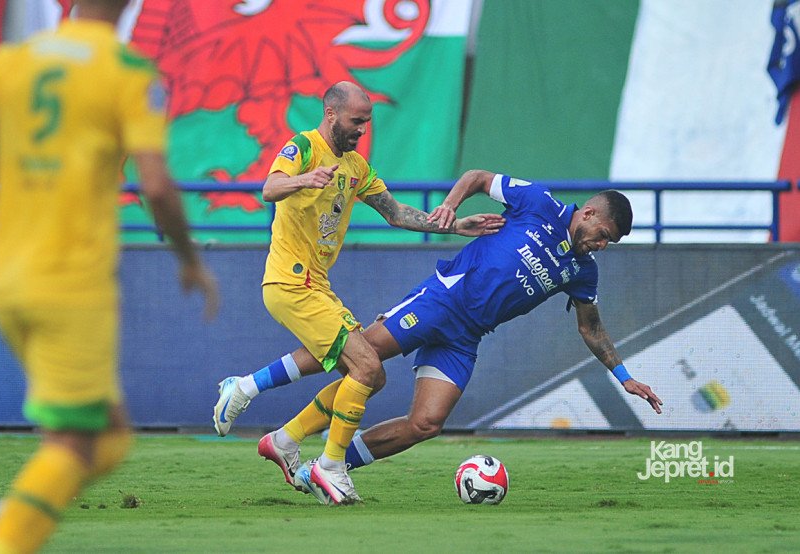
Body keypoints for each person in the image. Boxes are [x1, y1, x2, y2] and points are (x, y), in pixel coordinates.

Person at [218, 169, 663, 505]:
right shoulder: (539, 203)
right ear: (589, 214)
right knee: (359, 356)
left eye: (609, 243)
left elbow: (591, 327)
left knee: (426, 423)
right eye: (603, 235)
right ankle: (250, 388)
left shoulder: (582, 271)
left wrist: (623, 376)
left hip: (465, 337)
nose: (601, 245)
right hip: (441, 302)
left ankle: (322, 467)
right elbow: (477, 177)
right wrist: (449, 207)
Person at [0, 1, 219, 552]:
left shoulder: (15, 59)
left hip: (3, 278)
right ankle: (4, 538)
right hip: (70, 284)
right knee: (75, 445)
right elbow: (156, 185)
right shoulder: (128, 72)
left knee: (108, 440)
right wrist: (190, 260)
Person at [213, 81, 505, 504]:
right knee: (365, 366)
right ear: (331, 114)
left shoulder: (356, 167)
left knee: (371, 375)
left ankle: (282, 435)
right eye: (356, 121)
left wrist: (453, 225)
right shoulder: (304, 146)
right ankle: (330, 466)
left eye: (367, 121)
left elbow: (396, 213)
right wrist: (305, 179)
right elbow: (269, 188)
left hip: (317, 285)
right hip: (290, 282)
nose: (362, 129)